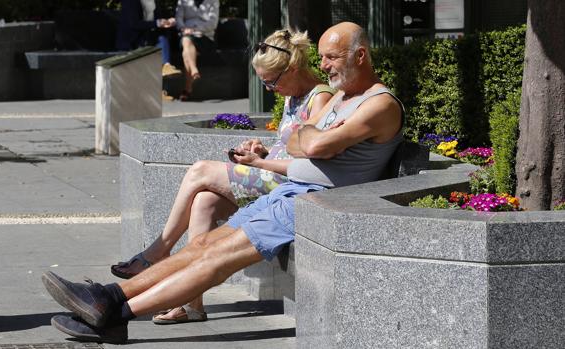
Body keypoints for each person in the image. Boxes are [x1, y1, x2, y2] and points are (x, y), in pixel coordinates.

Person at [42, 22, 405, 344]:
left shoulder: (379, 104)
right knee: (202, 245)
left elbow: (311, 143)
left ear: (359, 55)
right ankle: (110, 296)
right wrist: (309, 139)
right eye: (323, 57)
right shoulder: (341, 97)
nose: (323, 65)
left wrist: (311, 139)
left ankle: (116, 316)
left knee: (218, 258)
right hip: (291, 191)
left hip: (317, 202)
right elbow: (301, 140)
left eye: (332, 57)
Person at [110, 28, 335, 323]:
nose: (269, 89)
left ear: (292, 69)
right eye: (263, 82)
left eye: (271, 82)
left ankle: (156, 254)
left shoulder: (319, 98)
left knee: (200, 170)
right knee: (203, 200)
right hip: (272, 174)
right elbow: (289, 147)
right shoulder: (293, 95)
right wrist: (262, 151)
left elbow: (309, 161)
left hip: (292, 186)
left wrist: (259, 163)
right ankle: (191, 305)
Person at [173, 0, 220, 101]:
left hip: (205, 36)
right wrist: (184, 28)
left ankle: (188, 87)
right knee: (186, 40)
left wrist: (194, 29)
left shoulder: (213, 1)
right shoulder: (183, 1)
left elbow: (213, 23)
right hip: (186, 34)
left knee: (186, 53)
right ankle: (193, 71)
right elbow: (178, 18)